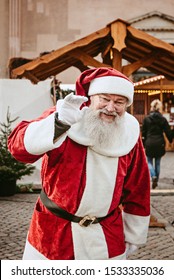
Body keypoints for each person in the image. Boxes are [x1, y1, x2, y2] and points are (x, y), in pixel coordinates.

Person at [8, 67, 150, 260]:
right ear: (91, 97)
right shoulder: (66, 116)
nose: (110, 108)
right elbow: (17, 149)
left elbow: (138, 187)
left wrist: (134, 234)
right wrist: (58, 122)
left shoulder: (129, 132)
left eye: (119, 102)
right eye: (105, 99)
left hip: (107, 234)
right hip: (54, 233)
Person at [142, 99, 173, 189]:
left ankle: (153, 176)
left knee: (149, 161)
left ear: (151, 107)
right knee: (158, 163)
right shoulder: (163, 119)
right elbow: (168, 132)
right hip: (160, 143)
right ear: (160, 108)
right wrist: (171, 139)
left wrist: (143, 144)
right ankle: (157, 180)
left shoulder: (147, 119)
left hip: (149, 142)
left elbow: (143, 132)